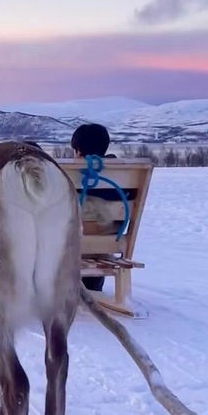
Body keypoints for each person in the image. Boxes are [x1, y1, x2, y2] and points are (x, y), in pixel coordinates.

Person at [70, 123, 116, 292]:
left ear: (78, 151)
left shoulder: (72, 175)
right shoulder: (121, 175)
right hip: (105, 247)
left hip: (72, 247)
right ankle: (93, 284)